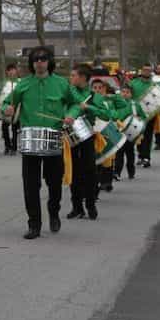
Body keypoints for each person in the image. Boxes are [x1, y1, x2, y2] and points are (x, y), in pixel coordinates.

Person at [3, 46, 77, 240]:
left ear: (49, 61)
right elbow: (7, 103)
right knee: (30, 185)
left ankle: (54, 212)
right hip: (30, 141)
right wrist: (7, 109)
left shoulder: (61, 83)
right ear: (32, 63)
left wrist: (71, 115)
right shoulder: (23, 85)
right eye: (35, 59)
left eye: (43, 59)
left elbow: (75, 103)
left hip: (54, 139)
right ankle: (34, 224)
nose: (39, 62)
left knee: (54, 183)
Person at [67, 65, 110, 220]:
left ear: (83, 78)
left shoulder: (94, 96)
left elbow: (106, 115)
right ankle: (77, 207)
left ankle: (91, 205)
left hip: (87, 137)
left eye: (73, 75)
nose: (71, 78)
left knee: (90, 172)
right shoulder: (68, 93)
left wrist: (89, 107)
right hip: (70, 136)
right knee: (73, 172)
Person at [91, 78, 126, 196]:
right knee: (95, 160)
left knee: (108, 158)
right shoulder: (88, 102)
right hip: (94, 133)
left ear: (105, 89)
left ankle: (106, 182)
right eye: (95, 88)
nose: (97, 90)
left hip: (106, 132)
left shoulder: (108, 102)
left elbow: (120, 108)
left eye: (100, 88)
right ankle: (94, 187)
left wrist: (113, 96)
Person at [113, 84, 145, 181]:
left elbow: (143, 117)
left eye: (127, 92)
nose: (125, 94)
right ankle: (117, 173)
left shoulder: (135, 105)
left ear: (131, 94)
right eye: (123, 92)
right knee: (119, 153)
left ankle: (131, 172)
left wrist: (139, 119)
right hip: (119, 132)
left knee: (130, 153)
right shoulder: (116, 104)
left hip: (131, 133)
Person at [0, 63, 21, 155]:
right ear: (7, 72)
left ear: (16, 71)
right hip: (5, 108)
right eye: (9, 70)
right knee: (4, 128)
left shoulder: (21, 83)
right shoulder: (3, 83)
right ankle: (7, 146)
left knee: (15, 129)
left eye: (13, 70)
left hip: (17, 109)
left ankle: (14, 148)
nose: (11, 72)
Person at [130, 64, 155, 168]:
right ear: (141, 71)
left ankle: (146, 158)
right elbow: (127, 95)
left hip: (150, 115)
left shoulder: (154, 84)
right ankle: (140, 156)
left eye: (149, 70)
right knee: (138, 136)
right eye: (145, 70)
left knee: (148, 137)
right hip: (137, 115)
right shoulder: (133, 83)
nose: (146, 72)